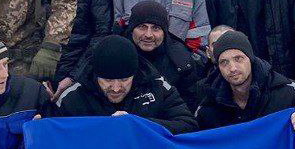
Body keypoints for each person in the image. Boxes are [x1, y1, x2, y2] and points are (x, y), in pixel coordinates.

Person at [54, 34, 197, 133]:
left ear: (135, 74)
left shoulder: (157, 86)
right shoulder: (73, 97)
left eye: (124, 80)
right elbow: (53, 135)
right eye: (108, 80)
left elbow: (188, 125)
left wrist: (138, 124)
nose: (116, 88)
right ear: (96, 76)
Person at [123, 0, 210, 107]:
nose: (148, 35)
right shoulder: (117, 53)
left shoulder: (181, 61)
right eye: (142, 27)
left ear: (164, 32)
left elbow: (188, 103)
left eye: (156, 28)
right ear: (132, 29)